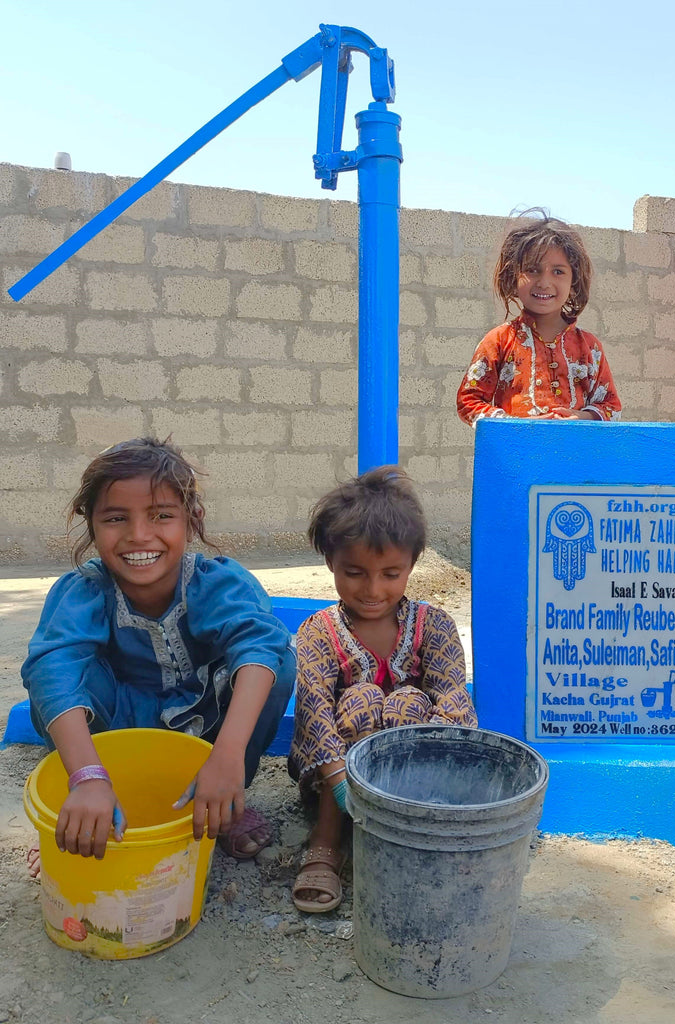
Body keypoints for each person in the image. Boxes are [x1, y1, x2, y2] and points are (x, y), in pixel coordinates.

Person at [22, 437, 295, 871]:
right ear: (91, 525)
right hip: (118, 732)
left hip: (204, 728)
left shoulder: (214, 582)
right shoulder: (85, 591)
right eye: (116, 518)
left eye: (162, 515)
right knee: (53, 679)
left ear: (191, 520)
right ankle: (85, 802)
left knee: (272, 664)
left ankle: (224, 799)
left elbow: (258, 641)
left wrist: (227, 757)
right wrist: (87, 778)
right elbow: (52, 668)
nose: (138, 535)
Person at [287, 466, 477, 912]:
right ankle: (327, 838)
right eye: (355, 572)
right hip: (336, 778)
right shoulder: (318, 631)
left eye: (391, 574)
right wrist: (341, 785)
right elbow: (314, 712)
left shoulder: (434, 626)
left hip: (417, 778)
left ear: (412, 565)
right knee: (361, 698)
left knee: (408, 701)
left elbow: (454, 704)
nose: (373, 589)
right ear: (330, 562)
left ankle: (413, 831)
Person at [456, 210, 622, 424]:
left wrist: (583, 417)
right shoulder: (499, 341)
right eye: (532, 270)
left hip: (573, 446)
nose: (544, 282)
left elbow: (610, 406)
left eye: (558, 271)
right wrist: (515, 426)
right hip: (516, 446)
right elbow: (469, 401)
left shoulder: (590, 348)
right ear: (513, 276)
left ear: (573, 282)